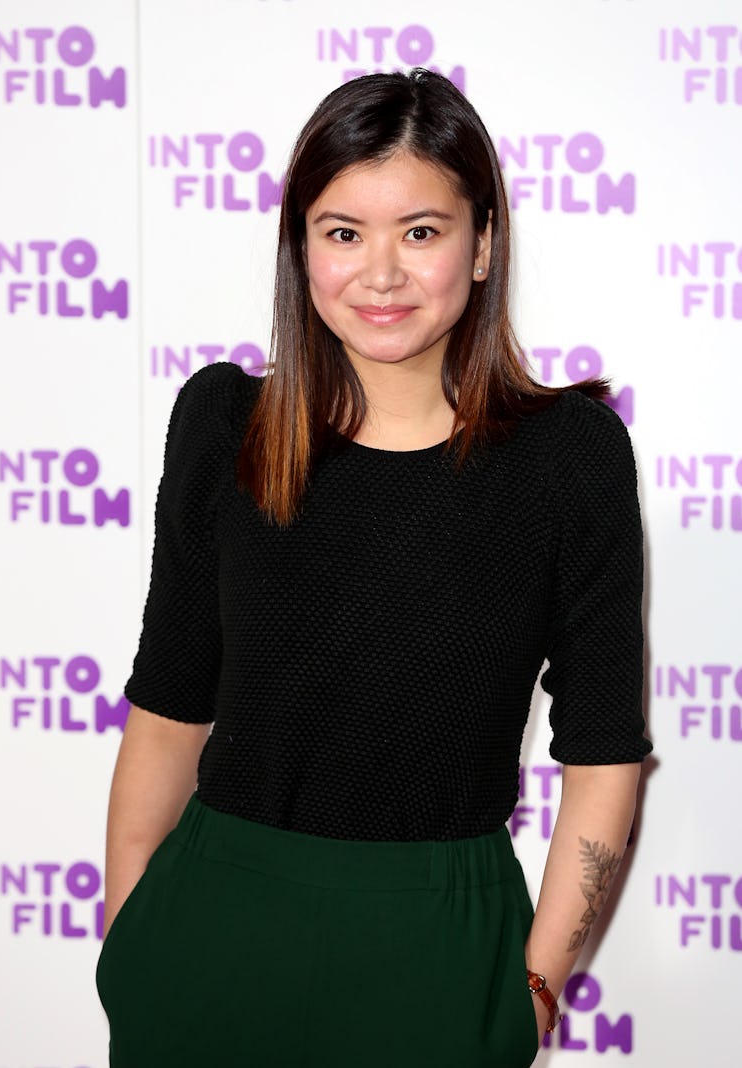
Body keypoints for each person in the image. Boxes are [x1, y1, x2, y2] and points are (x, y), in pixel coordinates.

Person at [96, 69, 652, 1067]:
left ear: (483, 245)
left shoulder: (568, 457)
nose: (380, 274)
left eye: (422, 232)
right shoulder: (227, 423)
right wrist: (130, 940)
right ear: (301, 247)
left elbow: (603, 754)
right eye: (342, 231)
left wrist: (534, 989)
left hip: (442, 944)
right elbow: (171, 705)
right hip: (210, 928)